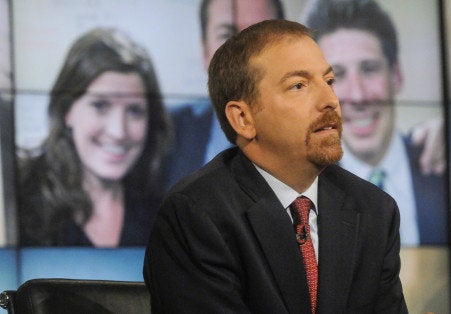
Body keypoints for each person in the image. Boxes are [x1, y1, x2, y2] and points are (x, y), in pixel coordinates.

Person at [144, 19, 408, 312]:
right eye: (298, 85)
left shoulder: (374, 210)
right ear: (243, 119)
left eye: (329, 81)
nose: (330, 100)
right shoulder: (197, 215)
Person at [303, 0, 447, 245]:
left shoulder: (442, 163)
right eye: (336, 76)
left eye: (369, 69)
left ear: (397, 75)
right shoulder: (303, 194)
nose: (358, 96)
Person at [17, 27, 171, 247]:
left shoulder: (162, 211)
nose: (118, 132)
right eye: (100, 105)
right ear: (66, 111)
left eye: (135, 111)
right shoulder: (16, 197)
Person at [162, 0, 285, 190]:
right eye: (227, 35)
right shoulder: (167, 131)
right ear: (204, 51)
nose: (245, 56)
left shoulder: (318, 140)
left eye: (260, 36)